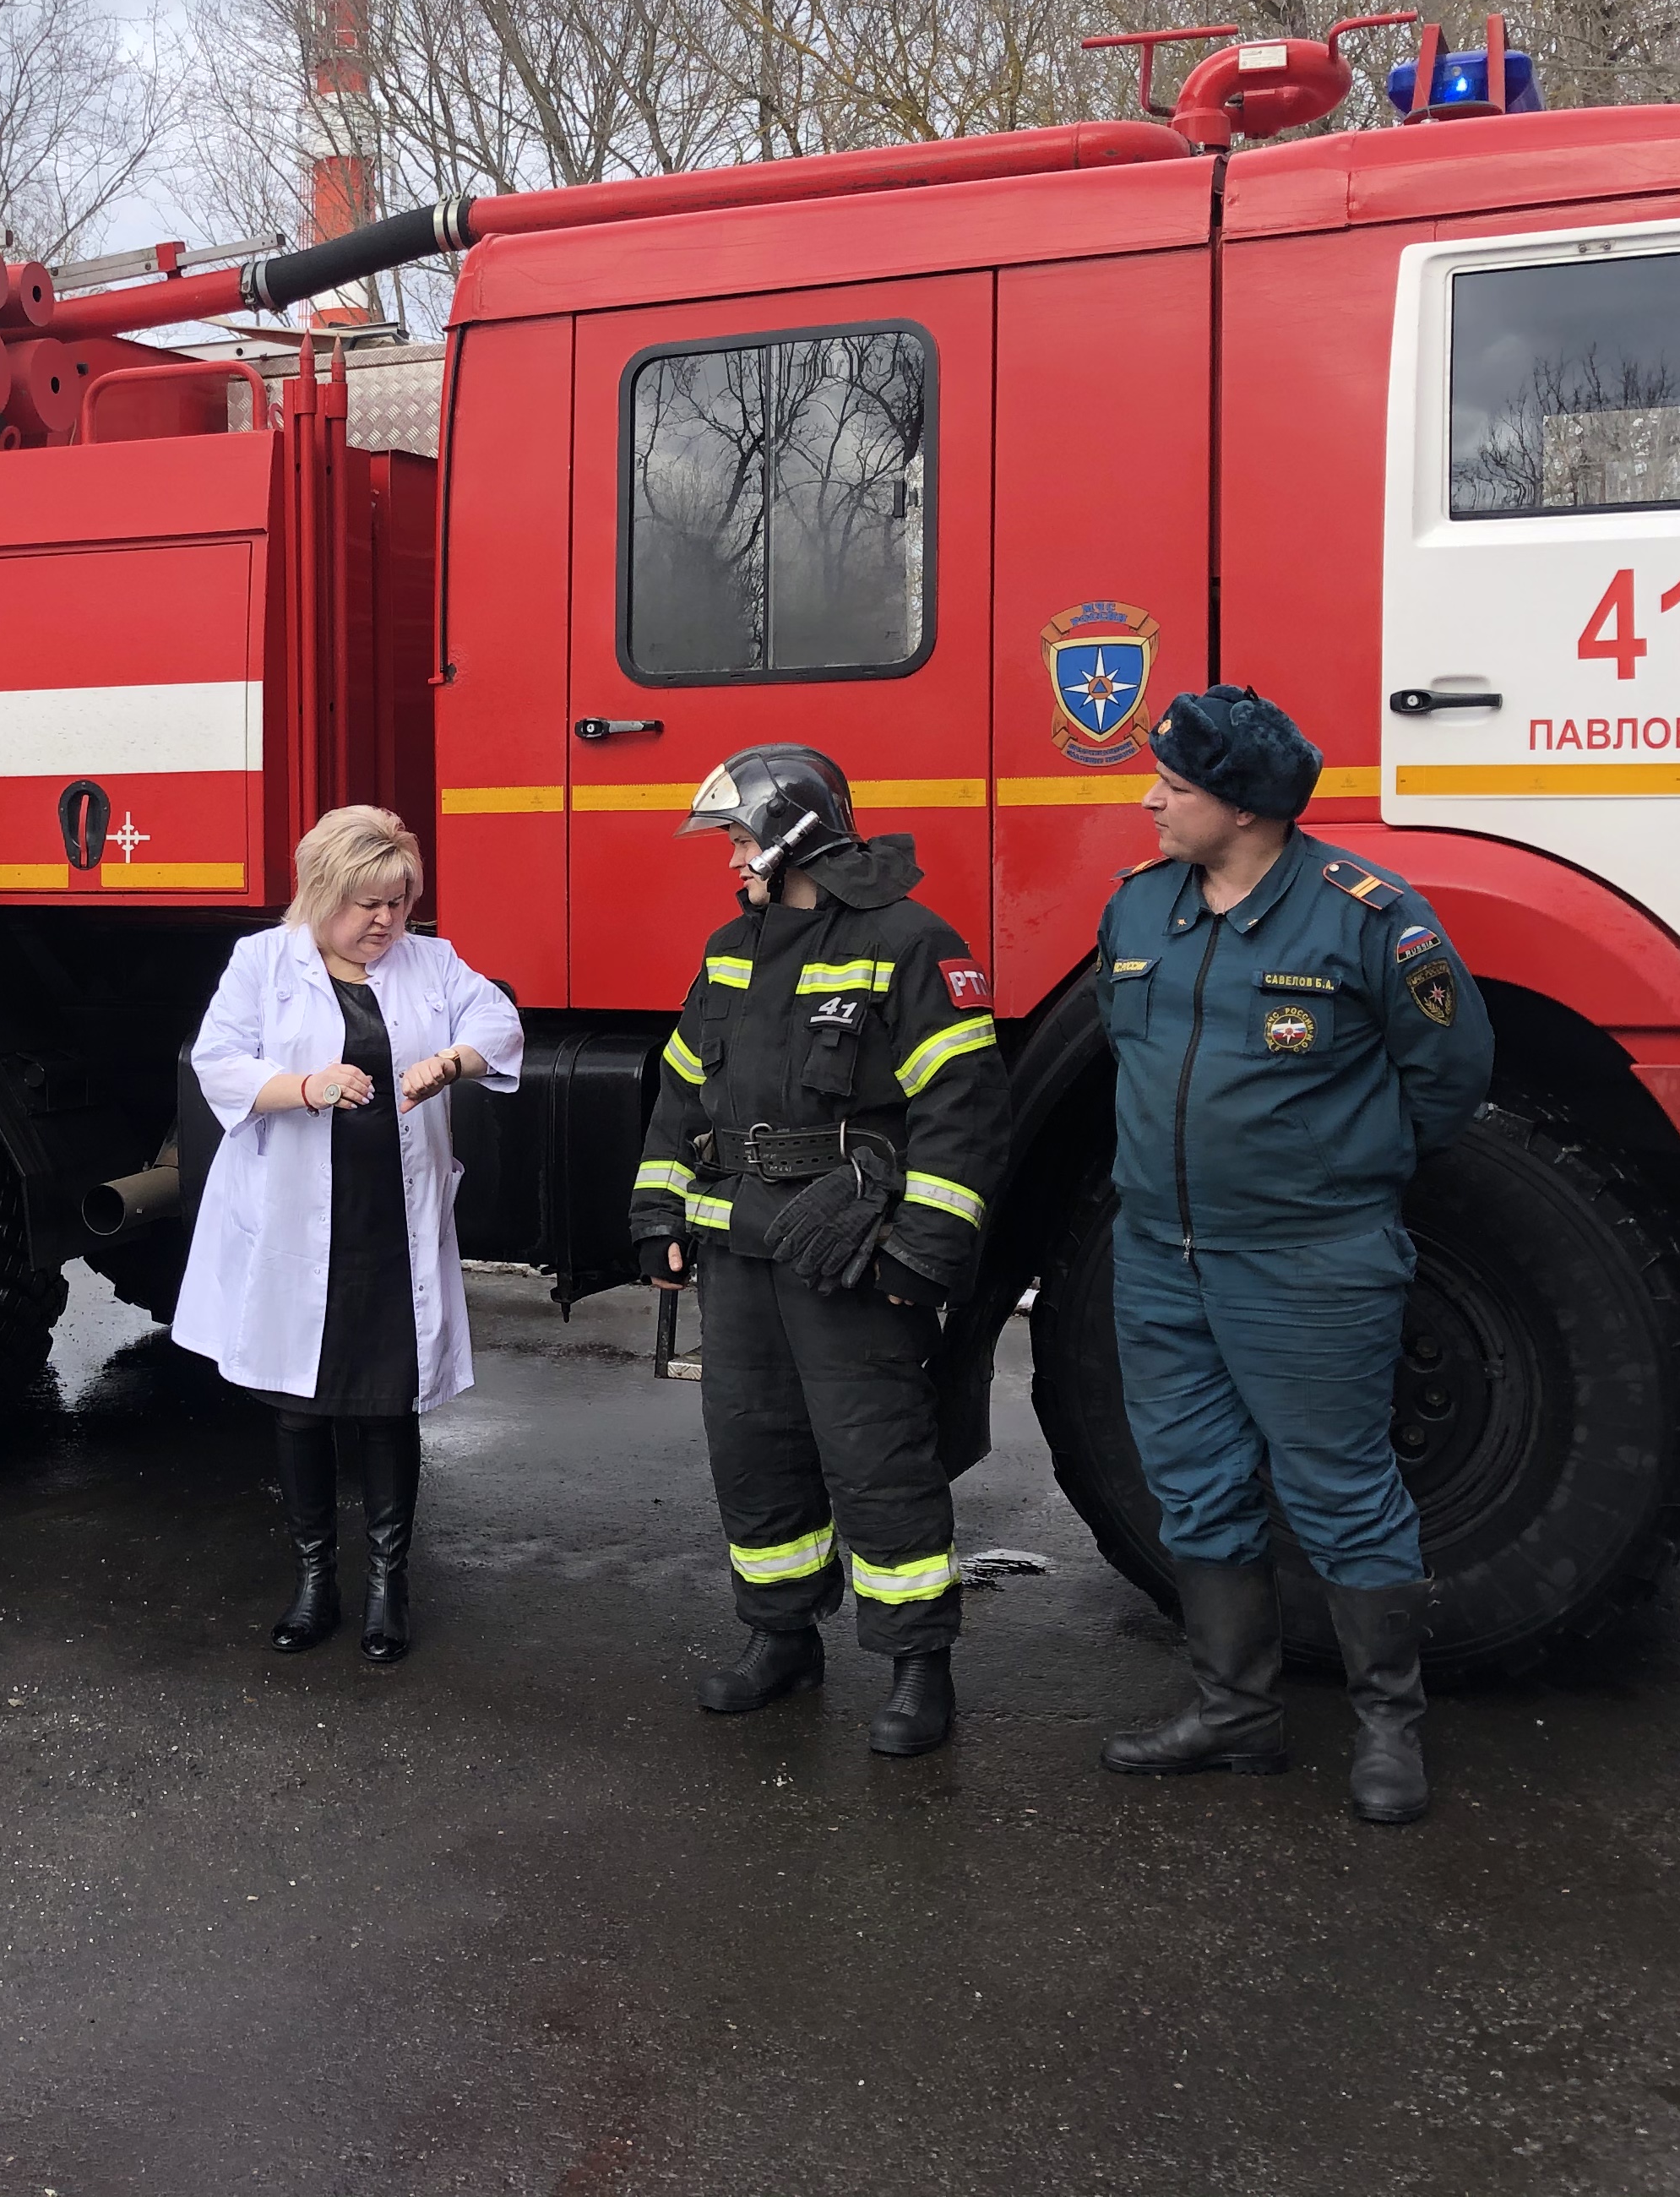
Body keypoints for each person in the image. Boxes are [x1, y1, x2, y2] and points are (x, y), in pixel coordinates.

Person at [1093, 684, 1491, 1824]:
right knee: (1194, 1486)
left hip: (1309, 1262)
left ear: (1247, 808)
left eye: (1174, 787)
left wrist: (1335, 1175)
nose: (1150, 800)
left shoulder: (1367, 918)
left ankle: (1387, 1730)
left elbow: (1449, 1076)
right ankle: (1235, 1713)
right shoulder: (1137, 910)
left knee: (1340, 1490)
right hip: (1160, 1257)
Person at [629, 745, 1009, 1761]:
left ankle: (919, 1665)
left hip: (850, 1251)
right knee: (753, 1451)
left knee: (876, 1453)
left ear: (795, 833)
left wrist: (922, 1252)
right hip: (741, 1246)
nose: (731, 862)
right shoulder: (729, 948)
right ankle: (780, 1639)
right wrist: (659, 1215)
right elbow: (680, 1093)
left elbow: (963, 1112)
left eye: (742, 839)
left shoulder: (913, 941)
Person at [181, 806, 525, 1663]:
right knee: (300, 1410)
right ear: (323, 891)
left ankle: (386, 1585)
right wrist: (304, 1085)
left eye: (399, 904)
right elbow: (217, 1060)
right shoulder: (263, 963)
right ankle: (312, 1582)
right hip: (298, 1226)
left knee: (387, 1405)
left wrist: (449, 1062)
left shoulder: (432, 962)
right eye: (367, 903)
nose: (384, 922)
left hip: (389, 1223)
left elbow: (500, 1024)